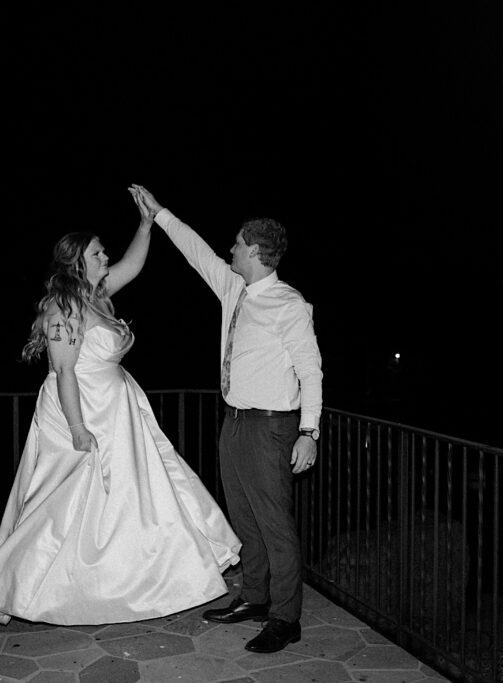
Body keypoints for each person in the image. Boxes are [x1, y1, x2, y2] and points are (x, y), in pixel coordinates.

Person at [0, 191, 241, 626]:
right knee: (57, 504)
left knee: (125, 499)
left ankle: (129, 579)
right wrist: (78, 428)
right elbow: (64, 372)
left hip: (116, 409)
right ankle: (12, 589)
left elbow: (134, 265)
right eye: (99, 252)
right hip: (77, 410)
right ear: (78, 260)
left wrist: (145, 224)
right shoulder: (65, 306)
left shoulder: (98, 293)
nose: (106, 256)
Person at [130, 184, 322, 653]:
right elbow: (196, 250)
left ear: (255, 251)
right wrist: (159, 215)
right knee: (245, 518)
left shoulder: (288, 304)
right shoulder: (234, 285)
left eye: (237, 243)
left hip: (271, 426)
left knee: (274, 523)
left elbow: (310, 370)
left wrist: (309, 431)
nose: (229, 249)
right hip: (234, 421)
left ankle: (285, 617)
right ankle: (254, 598)